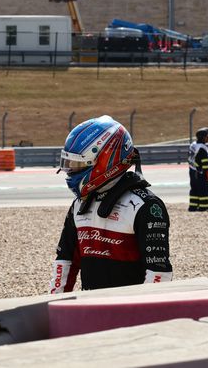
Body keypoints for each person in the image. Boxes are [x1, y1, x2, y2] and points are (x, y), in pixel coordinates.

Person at [50, 115, 172, 293]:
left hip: (129, 314)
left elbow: (159, 273)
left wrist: (141, 314)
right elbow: (64, 262)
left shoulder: (146, 206)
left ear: (105, 159)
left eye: (78, 164)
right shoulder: (79, 205)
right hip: (91, 310)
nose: (71, 171)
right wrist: (54, 307)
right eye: (70, 164)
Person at [188, 127, 208, 212]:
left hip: (192, 171)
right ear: (203, 137)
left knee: (194, 189)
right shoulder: (202, 148)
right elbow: (205, 162)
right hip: (200, 172)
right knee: (203, 190)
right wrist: (206, 172)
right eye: (207, 137)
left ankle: (193, 207)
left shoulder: (193, 145)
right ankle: (203, 207)